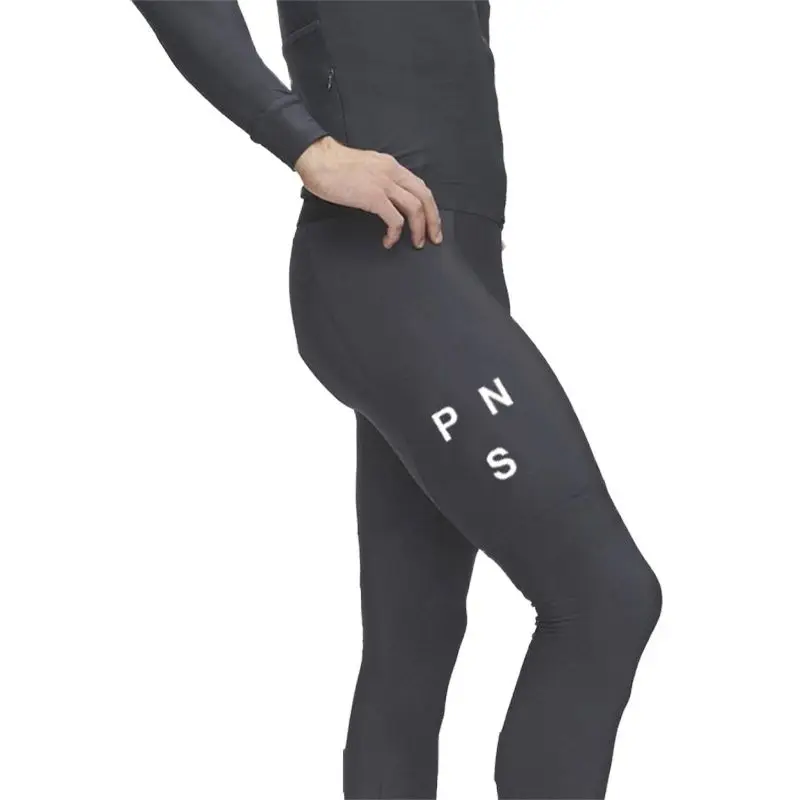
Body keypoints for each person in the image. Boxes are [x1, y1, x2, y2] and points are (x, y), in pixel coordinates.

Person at [131, 2, 662, 798]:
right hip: (385, 265)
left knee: (415, 639)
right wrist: (304, 143)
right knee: (606, 596)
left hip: (448, 273)